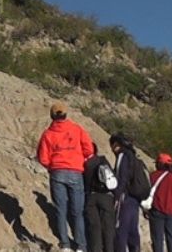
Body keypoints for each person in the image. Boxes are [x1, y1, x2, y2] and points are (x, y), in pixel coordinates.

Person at [37, 101, 92, 252]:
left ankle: (65, 244)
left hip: (57, 172)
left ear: (51, 116)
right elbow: (89, 148)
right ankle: (81, 245)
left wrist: (51, 166)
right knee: (77, 211)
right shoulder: (77, 129)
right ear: (66, 114)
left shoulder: (48, 134)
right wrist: (80, 158)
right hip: (75, 171)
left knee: (61, 209)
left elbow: (42, 157)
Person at [109, 133, 143, 252]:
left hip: (125, 197)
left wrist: (117, 196)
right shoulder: (133, 156)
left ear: (116, 144)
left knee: (121, 230)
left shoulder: (122, 156)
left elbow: (122, 178)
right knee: (133, 231)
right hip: (135, 199)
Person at [147, 153, 172, 252]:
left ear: (160, 164)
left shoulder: (153, 176)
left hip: (156, 212)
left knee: (157, 241)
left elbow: (148, 193)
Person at [84, 143, 116, 252]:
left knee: (94, 227)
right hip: (106, 197)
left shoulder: (85, 163)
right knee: (108, 228)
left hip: (91, 197)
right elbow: (112, 178)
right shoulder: (103, 160)